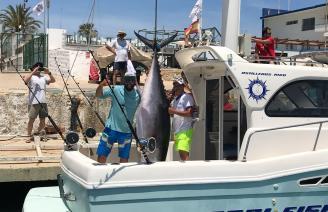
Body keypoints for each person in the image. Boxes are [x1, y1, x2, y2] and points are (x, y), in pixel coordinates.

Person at [95, 72, 140, 163]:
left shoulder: (138, 95)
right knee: (102, 154)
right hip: (111, 129)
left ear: (135, 81)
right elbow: (98, 95)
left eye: (132, 80)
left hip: (126, 131)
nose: (129, 83)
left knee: (124, 157)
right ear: (123, 80)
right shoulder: (115, 89)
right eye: (127, 80)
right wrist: (101, 85)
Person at [24, 62, 56, 142]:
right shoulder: (31, 77)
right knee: (31, 119)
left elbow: (53, 80)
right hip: (33, 102)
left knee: (43, 120)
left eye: (40, 68)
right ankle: (28, 135)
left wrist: (48, 72)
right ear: (33, 68)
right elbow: (25, 80)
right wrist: (33, 72)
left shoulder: (43, 77)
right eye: (37, 67)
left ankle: (40, 134)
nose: (39, 69)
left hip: (43, 102)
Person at [168, 77, 195, 161]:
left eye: (177, 85)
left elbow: (189, 113)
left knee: (184, 154)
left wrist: (174, 111)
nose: (175, 86)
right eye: (174, 84)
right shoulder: (176, 99)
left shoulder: (186, 96)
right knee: (181, 153)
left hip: (185, 130)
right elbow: (175, 114)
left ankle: (187, 172)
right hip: (178, 131)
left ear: (182, 86)